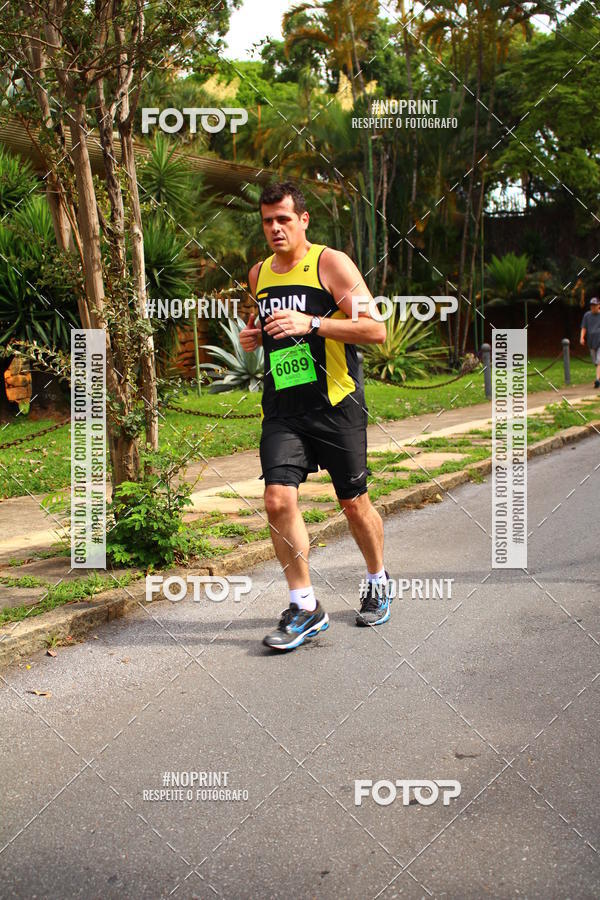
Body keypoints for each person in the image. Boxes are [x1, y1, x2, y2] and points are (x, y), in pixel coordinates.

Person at [239, 181, 392, 651]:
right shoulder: (258, 273)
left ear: (303, 220)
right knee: (276, 501)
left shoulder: (332, 264)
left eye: (284, 219)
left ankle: (378, 578)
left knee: (353, 502)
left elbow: (375, 329)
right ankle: (305, 607)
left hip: (337, 404)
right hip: (284, 409)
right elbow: (268, 323)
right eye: (267, 221)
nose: (275, 228)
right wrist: (255, 336)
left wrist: (315, 323)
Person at [580, 296, 600, 388]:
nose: (593, 307)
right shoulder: (587, 315)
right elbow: (584, 327)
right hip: (591, 342)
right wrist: (582, 337)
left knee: (599, 360)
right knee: (595, 362)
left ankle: (597, 379)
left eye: (595, 305)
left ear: (598, 305)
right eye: (592, 305)